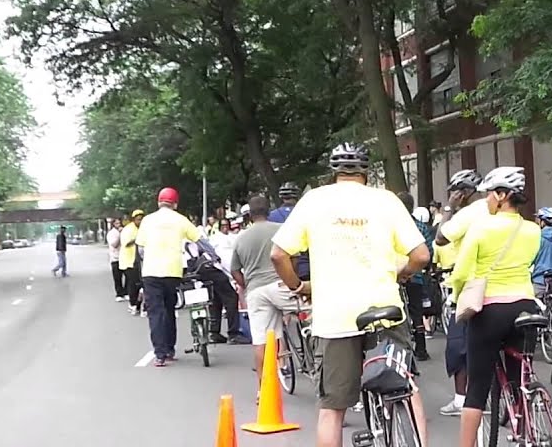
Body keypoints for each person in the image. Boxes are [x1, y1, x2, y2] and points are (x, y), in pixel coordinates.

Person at [270, 143, 430, 447]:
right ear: (366, 172)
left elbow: (278, 255)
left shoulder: (314, 201)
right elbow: (421, 254)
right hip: (386, 311)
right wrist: (403, 271)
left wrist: (299, 287)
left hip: (335, 317)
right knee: (406, 385)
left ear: (334, 172)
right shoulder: (386, 201)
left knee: (332, 408)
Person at [451, 167, 542, 447]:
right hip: (526, 305)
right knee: (519, 377)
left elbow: (461, 274)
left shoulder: (481, 228)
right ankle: (524, 431)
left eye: (489, 195)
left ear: (502, 195)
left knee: (477, 387)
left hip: (490, 308)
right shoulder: (533, 229)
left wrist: (458, 300)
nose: (487, 201)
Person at [432, 168, 485, 417]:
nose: (452, 195)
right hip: (506, 289)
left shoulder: (467, 214)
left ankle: (462, 399)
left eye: (454, 191)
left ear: (463, 193)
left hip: (469, 289)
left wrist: (448, 209)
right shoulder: (497, 210)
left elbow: (440, 239)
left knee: (458, 347)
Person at [231, 194, 300, 383]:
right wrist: (292, 281)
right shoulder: (280, 230)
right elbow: (293, 257)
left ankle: (263, 389)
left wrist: (247, 286)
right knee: (311, 312)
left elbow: (235, 271)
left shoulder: (240, 238)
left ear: (250, 215)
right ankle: (311, 355)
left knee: (261, 340)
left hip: (256, 291)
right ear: (268, 211)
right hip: (280, 285)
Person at [136, 187, 203, 367]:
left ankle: (160, 354)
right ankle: (170, 349)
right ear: (175, 203)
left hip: (151, 272)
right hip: (173, 271)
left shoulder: (147, 220)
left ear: (159, 202)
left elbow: (141, 249)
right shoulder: (181, 220)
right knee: (169, 309)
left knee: (155, 313)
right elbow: (199, 239)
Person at [184, 225, 248, 345]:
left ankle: (214, 333)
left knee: (215, 299)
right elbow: (229, 268)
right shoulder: (225, 245)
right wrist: (241, 282)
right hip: (211, 268)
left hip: (194, 271)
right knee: (231, 297)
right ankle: (233, 334)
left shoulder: (184, 240)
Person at [399, 190, 435, 361]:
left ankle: (400, 350)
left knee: (398, 312)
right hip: (416, 275)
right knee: (417, 312)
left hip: (396, 276)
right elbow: (429, 250)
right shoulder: (420, 226)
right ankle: (421, 348)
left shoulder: (393, 226)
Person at [120, 210, 144, 316]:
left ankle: (138, 305)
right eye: (138, 219)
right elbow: (126, 243)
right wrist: (138, 239)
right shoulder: (128, 229)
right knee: (133, 284)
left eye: (142, 219)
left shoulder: (143, 229)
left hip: (139, 261)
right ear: (134, 220)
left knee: (140, 284)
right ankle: (132, 304)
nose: (140, 221)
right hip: (128, 261)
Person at [107, 218, 125, 300]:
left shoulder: (124, 231)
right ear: (113, 224)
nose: (119, 225)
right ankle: (119, 294)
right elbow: (114, 245)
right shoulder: (111, 233)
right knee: (117, 277)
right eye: (117, 223)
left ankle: (126, 292)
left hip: (124, 257)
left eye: (119, 223)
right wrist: (120, 235)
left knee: (129, 276)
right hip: (115, 258)